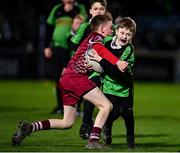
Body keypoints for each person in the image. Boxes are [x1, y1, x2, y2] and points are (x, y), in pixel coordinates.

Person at [11, 15, 128, 149]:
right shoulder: (97, 38)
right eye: (110, 26)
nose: (112, 28)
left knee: (67, 122)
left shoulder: (89, 39)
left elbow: (85, 56)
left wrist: (90, 66)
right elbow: (100, 50)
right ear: (101, 29)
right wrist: (117, 61)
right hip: (75, 78)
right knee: (106, 106)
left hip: (66, 78)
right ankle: (93, 141)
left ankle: (29, 127)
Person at [89, 17, 136, 148]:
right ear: (116, 31)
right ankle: (107, 128)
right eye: (122, 33)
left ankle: (131, 142)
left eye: (128, 34)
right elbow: (99, 57)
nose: (124, 36)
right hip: (109, 86)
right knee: (113, 112)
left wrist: (100, 59)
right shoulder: (106, 42)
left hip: (125, 87)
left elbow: (117, 70)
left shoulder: (129, 50)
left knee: (127, 114)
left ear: (132, 36)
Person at [69, 0, 109, 139]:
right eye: (96, 8)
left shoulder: (112, 28)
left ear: (106, 11)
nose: (98, 11)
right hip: (91, 69)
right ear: (90, 11)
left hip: (107, 67)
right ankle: (86, 125)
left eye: (101, 8)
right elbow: (74, 44)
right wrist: (86, 58)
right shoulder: (86, 26)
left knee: (110, 100)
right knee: (92, 95)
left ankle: (104, 127)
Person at [44, 0, 87, 114]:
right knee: (59, 79)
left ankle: (76, 107)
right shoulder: (57, 9)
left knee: (75, 80)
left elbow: (84, 23)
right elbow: (49, 27)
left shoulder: (79, 9)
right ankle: (60, 106)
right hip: (57, 47)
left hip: (70, 49)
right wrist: (47, 46)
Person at [66, 14, 85, 116]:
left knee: (80, 87)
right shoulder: (69, 36)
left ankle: (79, 109)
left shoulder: (83, 36)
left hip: (81, 65)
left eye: (80, 24)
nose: (78, 26)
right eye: (76, 23)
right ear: (72, 25)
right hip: (71, 65)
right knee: (72, 89)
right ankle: (71, 109)